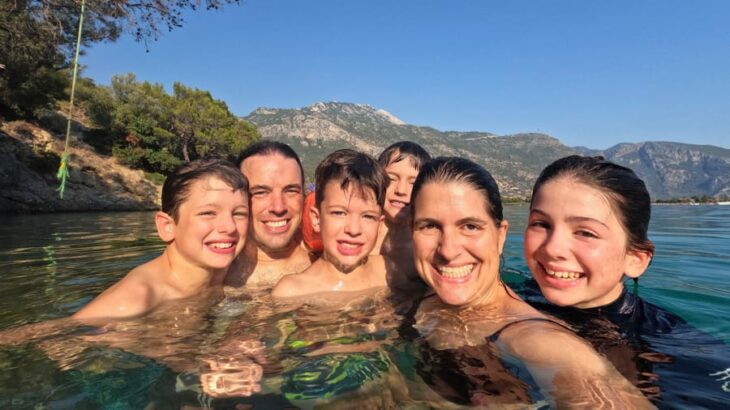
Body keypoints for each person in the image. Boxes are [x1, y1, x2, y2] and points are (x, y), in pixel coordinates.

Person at [409, 157, 651, 407]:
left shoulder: (541, 341)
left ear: (500, 235)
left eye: (470, 226)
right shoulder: (421, 289)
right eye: (428, 226)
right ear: (410, 233)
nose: (448, 250)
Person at [521, 154, 730, 406]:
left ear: (635, 259)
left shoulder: (677, 348)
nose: (553, 248)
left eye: (586, 232)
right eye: (541, 224)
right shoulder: (516, 294)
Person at [74, 158, 250, 320]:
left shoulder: (227, 274)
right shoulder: (135, 300)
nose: (230, 227)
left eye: (239, 213)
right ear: (167, 226)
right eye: (208, 213)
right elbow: (63, 340)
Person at [271, 149, 390, 298]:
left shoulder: (388, 272)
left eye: (368, 216)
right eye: (339, 213)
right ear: (316, 219)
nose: (353, 230)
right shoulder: (292, 290)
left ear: (379, 226)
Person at [225, 141, 313, 290]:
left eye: (290, 190)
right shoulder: (212, 270)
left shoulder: (329, 257)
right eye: (260, 192)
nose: (278, 207)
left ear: (304, 195)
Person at [373, 141, 431, 288]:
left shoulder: (427, 243)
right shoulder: (361, 234)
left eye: (413, 183)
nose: (401, 190)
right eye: (391, 179)